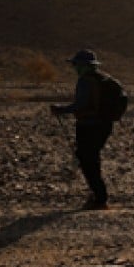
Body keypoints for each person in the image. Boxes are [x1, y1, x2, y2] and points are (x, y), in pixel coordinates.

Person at [50, 49, 116, 210]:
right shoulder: (104, 79)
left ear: (84, 66)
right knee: (91, 158)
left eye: (76, 64)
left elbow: (80, 104)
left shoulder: (85, 81)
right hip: (105, 124)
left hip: (88, 125)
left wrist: (61, 110)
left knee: (87, 160)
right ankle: (98, 195)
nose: (74, 68)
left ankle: (100, 198)